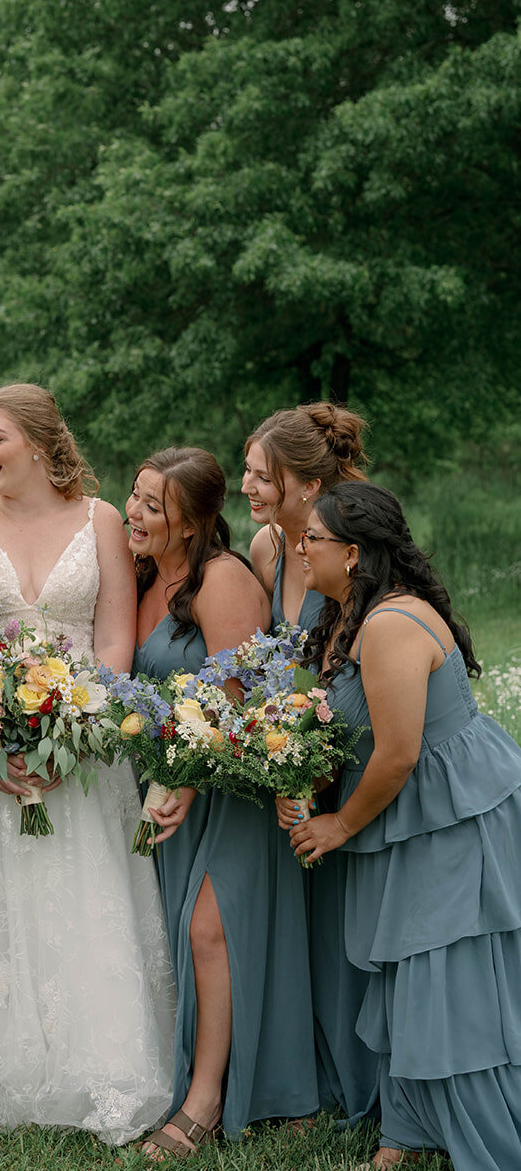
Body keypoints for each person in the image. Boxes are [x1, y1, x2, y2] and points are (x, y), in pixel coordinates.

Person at [0, 384, 175, 1144]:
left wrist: (79, 726)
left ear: (40, 443)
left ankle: (89, 1059)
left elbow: (114, 640)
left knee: (78, 889)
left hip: (78, 741)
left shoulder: (101, 519)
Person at [290, 482, 521, 1171]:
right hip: (415, 814)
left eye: (311, 540)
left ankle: (488, 1140)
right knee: (407, 972)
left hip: (451, 817)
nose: (299, 550)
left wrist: (335, 827)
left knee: (449, 980)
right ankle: (408, 1130)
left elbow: (393, 755)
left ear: (352, 553)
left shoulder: (390, 624)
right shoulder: (346, 617)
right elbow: (345, 734)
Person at [131, 448, 317, 1156]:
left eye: (154, 506)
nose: (136, 513)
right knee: (182, 937)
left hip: (229, 786)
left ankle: (204, 1103)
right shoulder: (143, 573)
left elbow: (238, 707)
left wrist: (184, 777)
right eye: (135, 497)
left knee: (210, 933)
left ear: (192, 523)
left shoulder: (222, 580)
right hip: (167, 784)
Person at [243, 404, 378, 1122]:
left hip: (351, 753)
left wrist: (321, 764)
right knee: (307, 917)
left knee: (349, 919)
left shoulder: (353, 544)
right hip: (293, 752)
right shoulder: (268, 549)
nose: (247, 488)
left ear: (300, 482)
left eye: (260, 476)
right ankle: (317, 1076)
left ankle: (367, 1081)